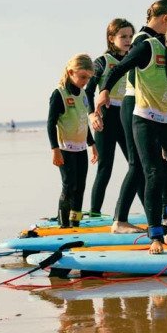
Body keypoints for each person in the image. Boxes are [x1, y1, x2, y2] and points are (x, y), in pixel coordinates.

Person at [95, 6, 167, 254]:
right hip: (145, 121)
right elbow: (119, 68)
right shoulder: (148, 47)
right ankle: (155, 236)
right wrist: (104, 91)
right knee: (154, 176)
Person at [95, 0, 167, 234]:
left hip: (147, 104)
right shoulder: (143, 40)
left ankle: (165, 217)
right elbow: (123, 71)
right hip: (135, 103)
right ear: (166, 18)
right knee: (137, 163)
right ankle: (120, 220)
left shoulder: (154, 39)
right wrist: (103, 93)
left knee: (150, 165)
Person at [86, 18, 134, 216]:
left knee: (136, 165)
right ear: (111, 38)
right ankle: (95, 213)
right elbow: (88, 91)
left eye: (130, 36)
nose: (128, 40)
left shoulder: (134, 58)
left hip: (128, 116)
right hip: (107, 116)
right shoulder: (102, 62)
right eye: (123, 36)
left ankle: (150, 212)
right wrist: (91, 115)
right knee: (105, 168)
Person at [47, 54, 98, 228]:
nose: (85, 81)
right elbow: (51, 123)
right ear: (71, 72)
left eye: (88, 78)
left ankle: (75, 222)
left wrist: (92, 144)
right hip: (64, 148)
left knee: (81, 186)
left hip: (80, 148)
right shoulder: (59, 94)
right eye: (83, 77)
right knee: (70, 185)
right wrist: (55, 149)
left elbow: (84, 120)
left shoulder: (83, 94)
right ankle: (63, 224)